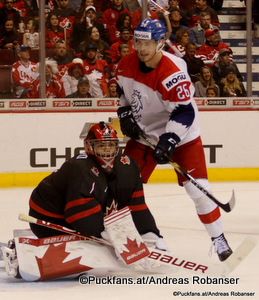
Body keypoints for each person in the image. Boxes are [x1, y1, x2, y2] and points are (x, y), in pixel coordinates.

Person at [116, 18, 232, 261]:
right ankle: (141, 237)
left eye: (148, 43)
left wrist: (169, 139)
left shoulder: (173, 71)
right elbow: (122, 91)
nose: (141, 48)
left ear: (160, 43)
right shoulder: (126, 63)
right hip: (145, 133)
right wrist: (125, 114)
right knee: (124, 184)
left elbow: (184, 111)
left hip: (182, 136)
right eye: (138, 42)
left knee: (197, 190)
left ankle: (218, 238)